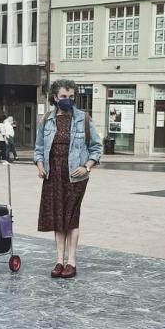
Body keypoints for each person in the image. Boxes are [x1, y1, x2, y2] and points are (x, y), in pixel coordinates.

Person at [35, 79, 102, 279]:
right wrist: (40, 166)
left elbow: (96, 148)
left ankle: (71, 262)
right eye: (64, 96)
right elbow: (39, 148)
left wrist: (87, 166)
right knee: (58, 218)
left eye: (71, 97)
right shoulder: (46, 119)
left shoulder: (84, 118)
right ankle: (59, 261)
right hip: (53, 175)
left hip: (75, 177)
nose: (68, 100)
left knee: (71, 218)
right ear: (55, 97)